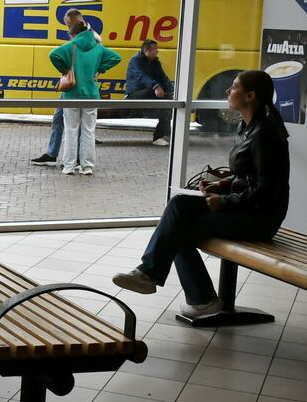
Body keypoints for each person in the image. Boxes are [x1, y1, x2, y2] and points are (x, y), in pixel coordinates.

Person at [113, 70, 289, 318]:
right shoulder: (246, 126)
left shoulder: (265, 135)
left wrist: (224, 201)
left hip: (259, 218)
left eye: (234, 87)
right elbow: (246, 176)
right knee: (179, 204)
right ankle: (150, 274)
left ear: (250, 96)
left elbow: (267, 191)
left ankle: (201, 299)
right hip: (245, 207)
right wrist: (222, 184)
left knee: (179, 230)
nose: (228, 91)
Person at [50, 20, 121, 175]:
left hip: (72, 94)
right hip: (91, 94)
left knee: (71, 130)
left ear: (74, 34)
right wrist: (100, 69)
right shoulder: (98, 48)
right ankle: (87, 166)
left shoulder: (71, 47)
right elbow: (117, 58)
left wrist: (64, 70)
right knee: (89, 130)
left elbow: (53, 54)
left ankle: (69, 166)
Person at [30, 9, 90, 166]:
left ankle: (75, 158)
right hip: (69, 86)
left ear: (75, 21)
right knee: (58, 120)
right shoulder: (80, 34)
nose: (67, 28)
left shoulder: (90, 36)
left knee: (75, 125)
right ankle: (52, 154)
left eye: (68, 24)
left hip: (79, 88)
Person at [125, 40, 174, 146]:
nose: (157, 51)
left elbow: (163, 77)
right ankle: (161, 136)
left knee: (167, 106)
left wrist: (170, 90)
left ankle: (160, 136)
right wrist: (155, 86)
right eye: (155, 49)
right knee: (155, 94)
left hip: (150, 95)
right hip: (134, 95)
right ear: (146, 51)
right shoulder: (135, 61)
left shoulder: (155, 62)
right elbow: (141, 76)